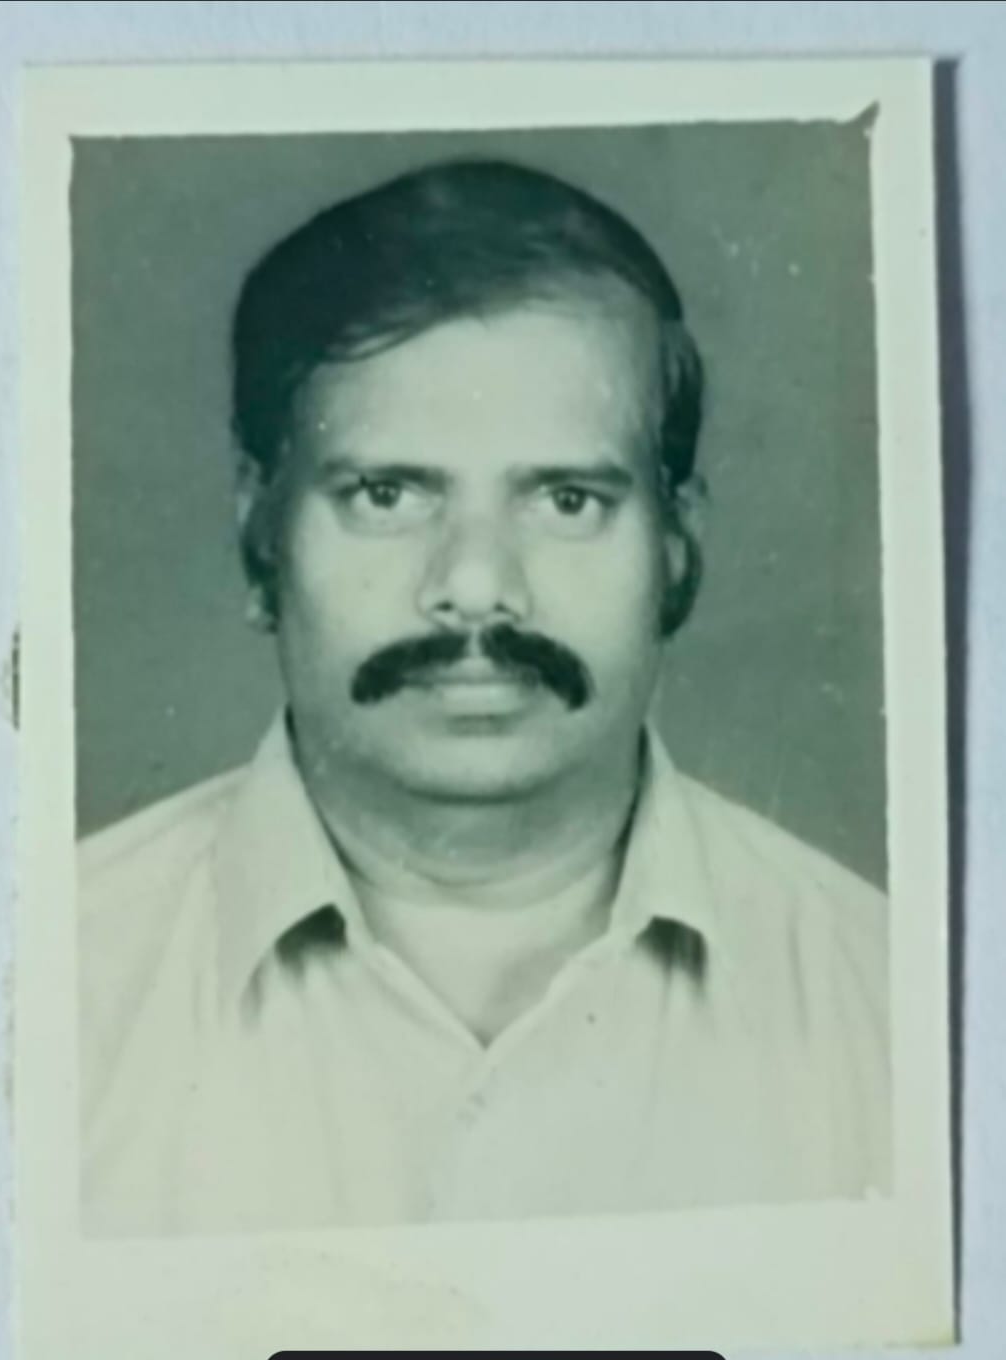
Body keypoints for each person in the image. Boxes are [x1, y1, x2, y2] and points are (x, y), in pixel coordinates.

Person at [79, 159, 889, 1237]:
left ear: (677, 545)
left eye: (567, 499)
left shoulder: (897, 1004)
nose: (474, 585)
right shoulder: (37, 994)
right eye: (385, 494)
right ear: (260, 534)